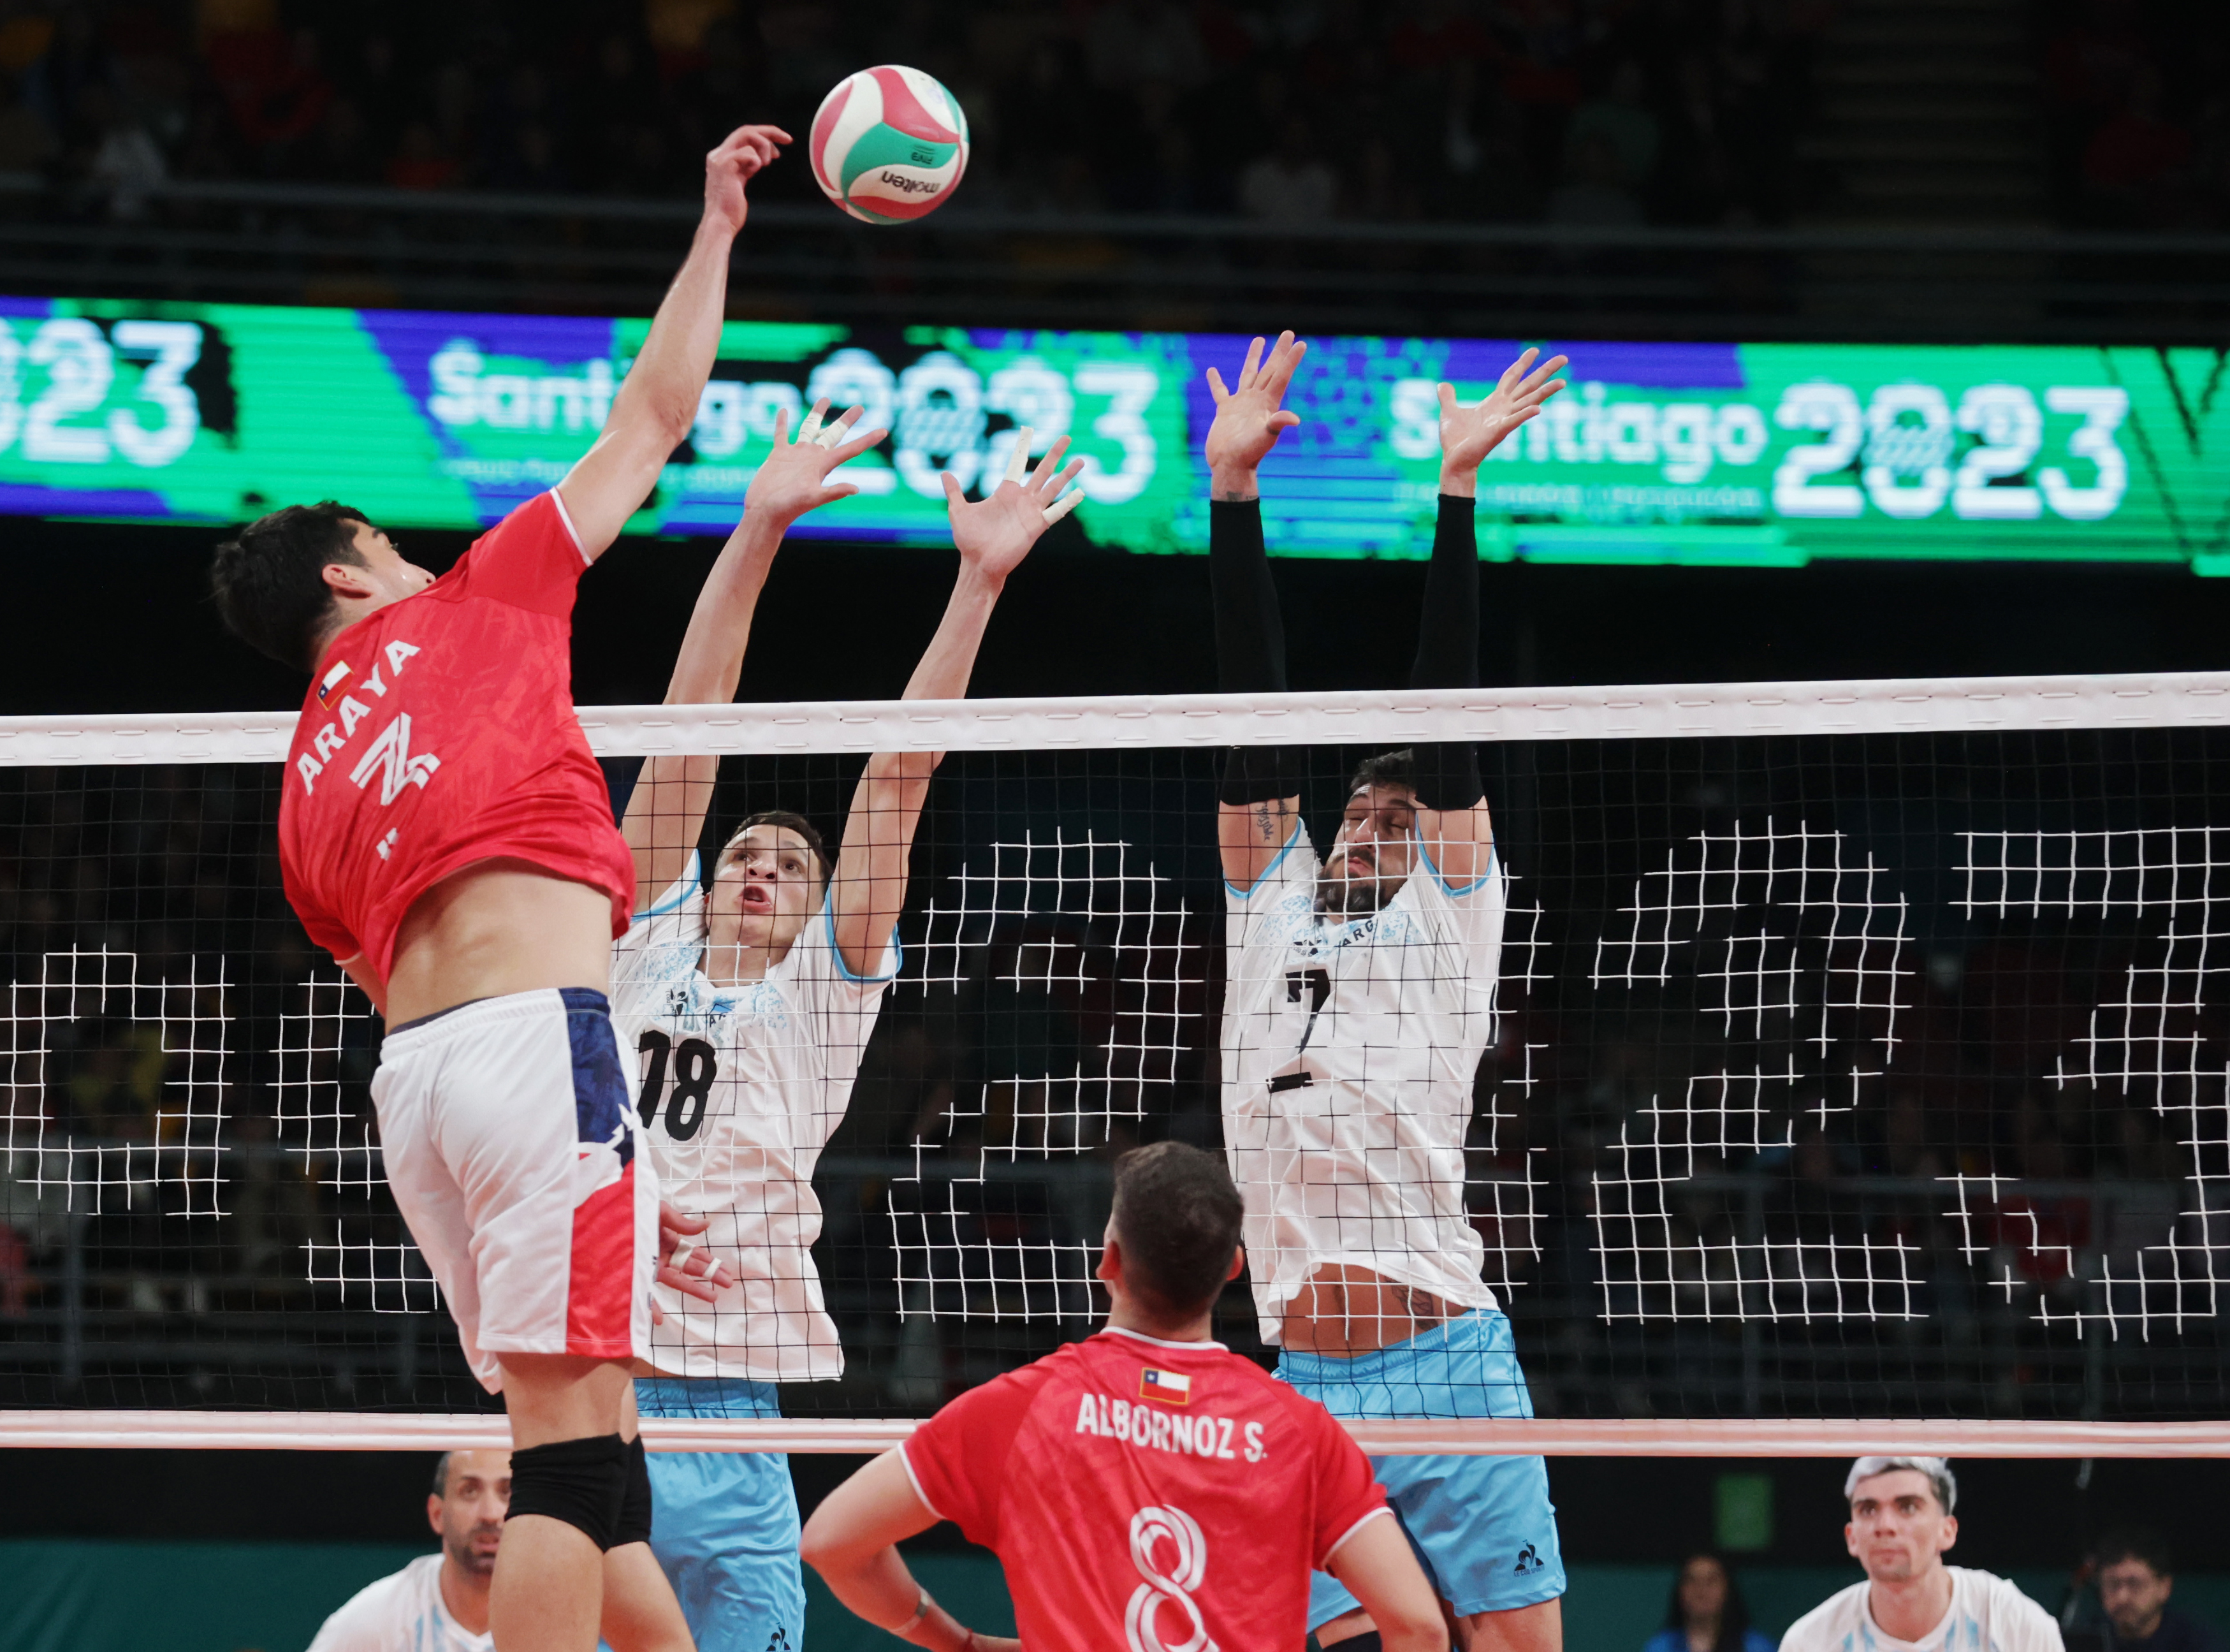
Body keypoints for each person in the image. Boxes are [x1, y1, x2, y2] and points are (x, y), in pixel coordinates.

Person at [210, 118, 798, 1652]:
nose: (409, 558)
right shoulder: (480, 596)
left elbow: (370, 970)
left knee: (587, 1431)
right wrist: (718, 222)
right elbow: (658, 414)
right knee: (575, 1453)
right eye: (386, 548)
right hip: (543, 1047)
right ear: (348, 573)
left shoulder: (300, 789)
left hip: (419, 1085)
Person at [609, 414, 1084, 1652]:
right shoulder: (636, 946)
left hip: (728, 1395)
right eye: (743, 856)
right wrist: (758, 527)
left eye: (789, 862)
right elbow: (687, 722)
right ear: (703, 883)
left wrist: (977, 583)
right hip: (591, 1382)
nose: (762, 866)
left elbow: (897, 777)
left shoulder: (819, 992)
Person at [1201, 332, 1570, 1652]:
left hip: (1449, 1361)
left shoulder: (1451, 913)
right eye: (1358, 809)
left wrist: (1453, 495)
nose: (1369, 827)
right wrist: (1231, 503)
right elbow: (1249, 716)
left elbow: (1448, 713)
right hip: (1304, 1377)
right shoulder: (1268, 904)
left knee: (1524, 1645)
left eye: (1398, 816)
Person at [798, 1141, 1449, 1652]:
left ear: (1107, 1258)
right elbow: (1418, 1626)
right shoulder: (1300, 1431)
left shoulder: (1022, 1409)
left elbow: (831, 1541)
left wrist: (957, 1641)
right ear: (1231, 1271)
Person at [1779, 1458, 2064, 1652]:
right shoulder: (1811, 1642)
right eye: (1868, 1509)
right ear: (1852, 1538)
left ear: (1947, 1530)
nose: (1885, 1526)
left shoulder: (2011, 1622)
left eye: (1908, 1507)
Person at [308, 1447, 511, 1652]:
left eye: (507, 1492)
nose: (490, 1514)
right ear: (437, 1514)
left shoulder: (544, 1615)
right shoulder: (379, 1618)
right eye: (469, 1491)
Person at [2093, 1528, 2226, 1652]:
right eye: (2112, 1584)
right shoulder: (2087, 1636)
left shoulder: (2196, 1641)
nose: (2122, 1597)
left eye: (2135, 1584)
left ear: (2164, 1587)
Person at [1645, 1553, 1774, 1652]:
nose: (1701, 1590)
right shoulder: (1661, 1647)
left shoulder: (1757, 1647)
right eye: (1692, 1580)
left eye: (1711, 1581)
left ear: (1728, 1589)